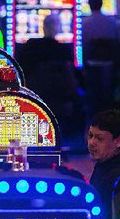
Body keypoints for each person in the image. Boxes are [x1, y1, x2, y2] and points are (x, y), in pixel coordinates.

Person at [15, 13, 82, 142]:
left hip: (35, 97)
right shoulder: (63, 50)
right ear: (57, 28)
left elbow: (20, 72)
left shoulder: (31, 46)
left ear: (43, 27)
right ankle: (69, 140)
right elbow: (73, 79)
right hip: (60, 99)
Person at [82, 0, 120, 119]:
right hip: (109, 66)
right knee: (107, 98)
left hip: (91, 66)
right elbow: (119, 43)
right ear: (102, 3)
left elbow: (82, 48)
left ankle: (93, 119)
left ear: (89, 3)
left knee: (93, 98)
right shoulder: (112, 22)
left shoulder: (84, 24)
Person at [87, 109, 120, 206]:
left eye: (99, 138)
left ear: (117, 141)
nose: (91, 143)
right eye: (90, 136)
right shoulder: (104, 163)